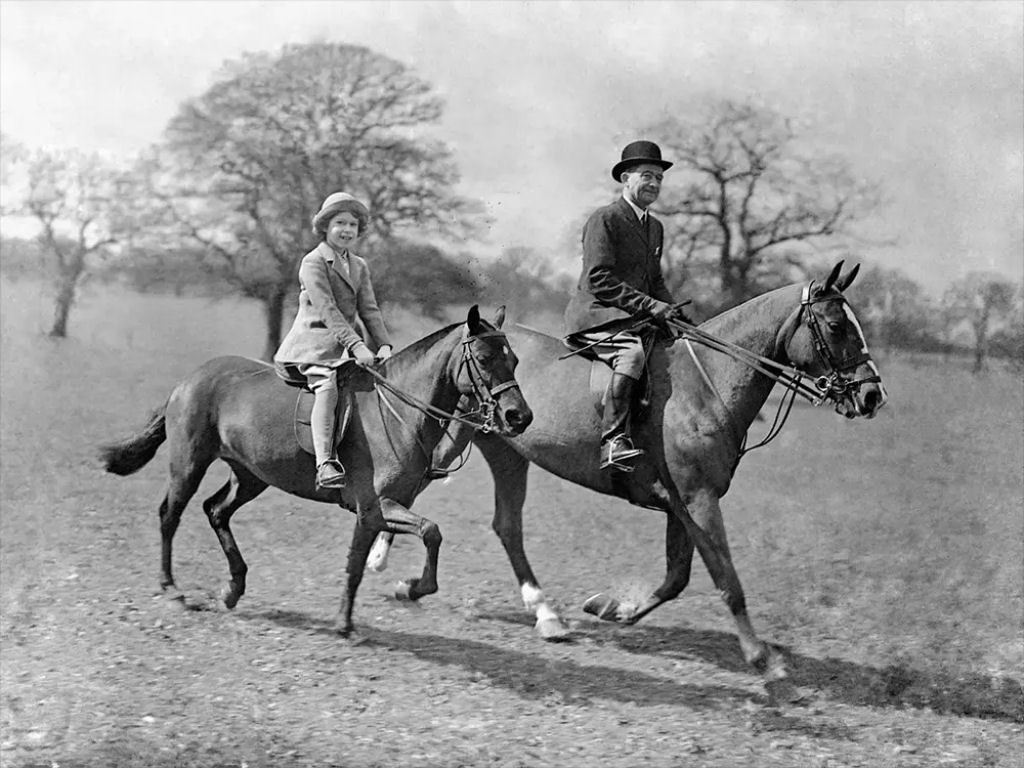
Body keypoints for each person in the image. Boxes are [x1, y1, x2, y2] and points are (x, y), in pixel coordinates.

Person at [564, 140, 691, 472]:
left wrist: (677, 314)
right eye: (647, 176)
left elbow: (655, 282)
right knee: (632, 355)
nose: (654, 184)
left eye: (659, 179)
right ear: (626, 179)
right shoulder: (605, 219)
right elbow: (597, 278)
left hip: (635, 317)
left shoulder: (655, 227)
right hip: (597, 313)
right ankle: (613, 441)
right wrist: (650, 305)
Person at [274, 192, 393, 490]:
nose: (347, 230)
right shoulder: (313, 262)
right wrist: (357, 345)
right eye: (340, 222)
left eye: (353, 224)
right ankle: (325, 462)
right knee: (327, 386)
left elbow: (369, 308)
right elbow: (328, 310)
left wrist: (383, 344)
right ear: (326, 226)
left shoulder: (359, 265)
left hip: (348, 348)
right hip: (313, 348)